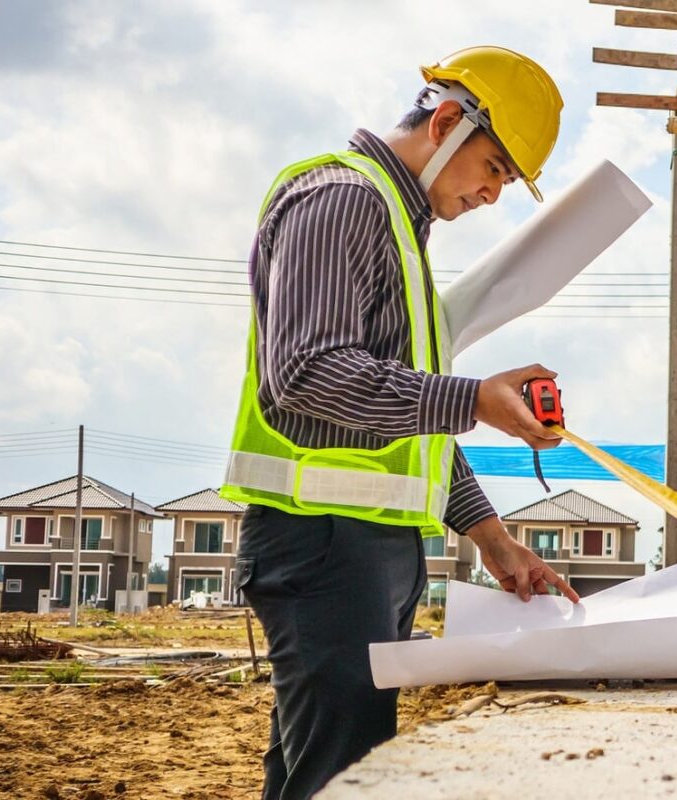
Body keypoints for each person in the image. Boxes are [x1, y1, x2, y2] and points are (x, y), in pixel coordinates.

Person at [220, 46, 580, 800]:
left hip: (359, 551)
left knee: (319, 769)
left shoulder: (398, 227)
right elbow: (307, 373)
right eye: (493, 169)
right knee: (340, 774)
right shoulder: (343, 200)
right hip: (322, 547)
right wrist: (473, 398)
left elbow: (401, 421)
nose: (491, 195)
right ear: (446, 121)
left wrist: (493, 538)